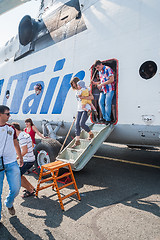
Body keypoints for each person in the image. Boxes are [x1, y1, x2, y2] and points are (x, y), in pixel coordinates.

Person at [0, 105, 23, 222]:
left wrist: (21, 157)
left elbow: (16, 143)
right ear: (0, 114)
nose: (9, 116)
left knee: (16, 188)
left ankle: (9, 202)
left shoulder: (11, 129)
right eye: (7, 114)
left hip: (11, 161)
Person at [12, 123, 35, 198]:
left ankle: (30, 191)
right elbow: (32, 145)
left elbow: (24, 150)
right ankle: (31, 187)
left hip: (27, 160)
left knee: (16, 177)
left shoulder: (21, 137)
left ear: (15, 130)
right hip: (31, 158)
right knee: (20, 174)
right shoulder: (25, 134)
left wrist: (17, 158)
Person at [70, 77, 94, 148]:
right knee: (77, 125)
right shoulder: (77, 91)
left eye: (74, 84)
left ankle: (90, 133)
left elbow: (92, 97)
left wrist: (84, 97)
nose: (73, 86)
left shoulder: (85, 89)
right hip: (79, 109)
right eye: (72, 84)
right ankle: (77, 141)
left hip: (86, 108)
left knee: (82, 124)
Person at [94, 60, 115, 124]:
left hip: (110, 89)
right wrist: (96, 83)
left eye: (98, 67)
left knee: (107, 103)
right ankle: (104, 117)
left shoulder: (108, 69)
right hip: (104, 89)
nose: (97, 69)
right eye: (96, 68)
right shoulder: (100, 72)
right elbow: (103, 81)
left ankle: (107, 119)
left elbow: (111, 80)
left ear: (101, 64)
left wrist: (101, 85)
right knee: (100, 102)